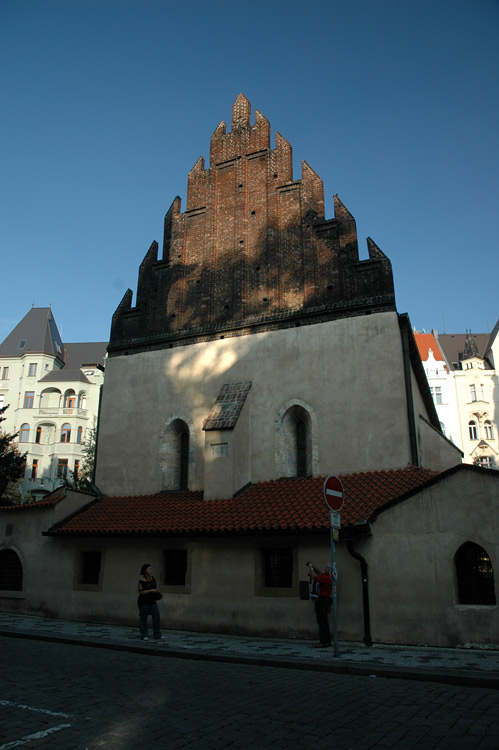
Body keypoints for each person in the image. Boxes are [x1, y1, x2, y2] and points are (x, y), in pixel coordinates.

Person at [307, 562, 332, 647]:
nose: (325, 569)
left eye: (327, 568)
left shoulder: (326, 578)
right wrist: (314, 566)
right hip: (325, 600)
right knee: (324, 621)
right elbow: (319, 573)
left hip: (322, 601)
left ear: (330, 570)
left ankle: (323, 642)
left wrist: (311, 568)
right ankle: (327, 641)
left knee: (322, 621)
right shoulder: (326, 577)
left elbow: (315, 577)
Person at [137, 563, 163, 641]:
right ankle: (144, 634)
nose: (150, 570)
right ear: (145, 571)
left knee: (156, 617)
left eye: (151, 569)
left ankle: (157, 634)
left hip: (152, 601)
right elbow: (140, 592)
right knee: (143, 618)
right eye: (149, 569)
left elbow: (155, 586)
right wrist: (150, 590)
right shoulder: (141, 581)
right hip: (144, 602)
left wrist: (157, 589)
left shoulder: (152, 578)